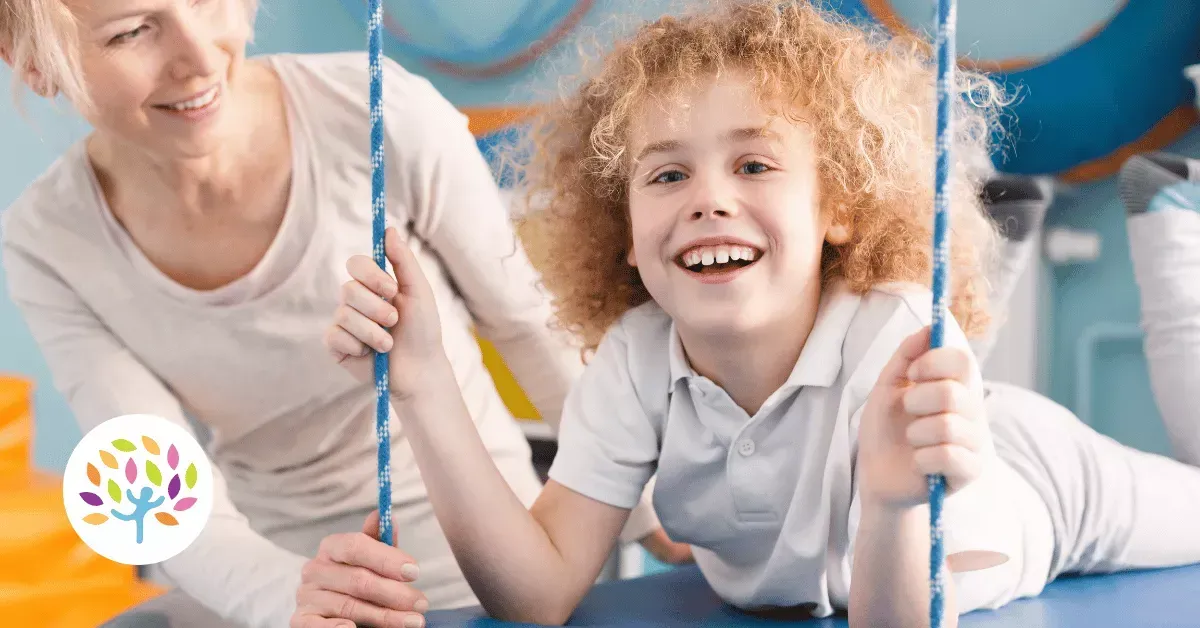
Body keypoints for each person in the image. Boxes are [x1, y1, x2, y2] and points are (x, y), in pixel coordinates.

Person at [326, 1, 1200, 626]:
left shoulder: (891, 333)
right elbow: (538, 594)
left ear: (838, 210)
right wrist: (425, 382)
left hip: (1041, 482)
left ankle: (1171, 225)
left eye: (754, 166)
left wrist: (894, 504)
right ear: (624, 233)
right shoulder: (637, 361)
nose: (708, 199)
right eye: (667, 174)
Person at [0, 1, 685, 627]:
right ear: (33, 64)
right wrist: (290, 598)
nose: (200, 56)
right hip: (271, 588)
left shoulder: (378, 111)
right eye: (131, 32)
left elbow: (530, 327)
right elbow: (154, 489)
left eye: (207, 2)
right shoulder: (49, 242)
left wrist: (651, 507)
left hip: (485, 570)